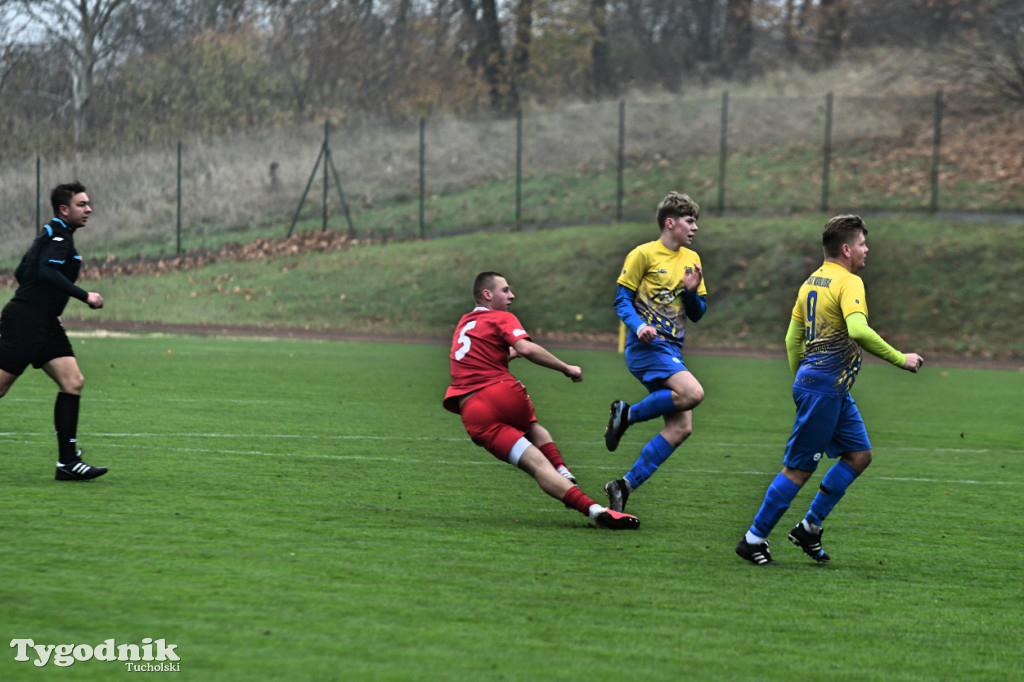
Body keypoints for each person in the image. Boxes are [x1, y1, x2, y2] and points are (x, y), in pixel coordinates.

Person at [735, 214, 924, 566]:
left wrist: (801, 379)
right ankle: (753, 538)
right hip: (824, 388)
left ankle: (809, 526)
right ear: (847, 248)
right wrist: (901, 359)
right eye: (863, 244)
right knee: (798, 469)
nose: (867, 250)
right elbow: (859, 330)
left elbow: (792, 339)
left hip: (828, 388)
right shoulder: (849, 283)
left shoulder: (810, 283)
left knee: (859, 455)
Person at [443, 271, 640, 530]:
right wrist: (565, 367)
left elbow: (477, 359)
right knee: (532, 427)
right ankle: (561, 468)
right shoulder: (501, 316)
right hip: (501, 393)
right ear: (487, 294)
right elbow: (526, 348)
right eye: (505, 290)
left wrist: (505, 356)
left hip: (472, 412)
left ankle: (594, 510)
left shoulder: (464, 323)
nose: (511, 295)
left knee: (536, 467)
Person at [602, 191, 708, 512]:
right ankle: (628, 415)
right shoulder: (643, 255)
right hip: (646, 346)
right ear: (670, 222)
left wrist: (690, 294)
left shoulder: (692, 259)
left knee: (680, 428)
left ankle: (624, 485)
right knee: (693, 393)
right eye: (690, 221)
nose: (695, 228)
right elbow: (622, 299)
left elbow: (698, 311)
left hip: (671, 350)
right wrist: (638, 326)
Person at [0, 182, 107, 481]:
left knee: (73, 382)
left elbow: (23, 272)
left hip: (41, 321)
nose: (88, 209)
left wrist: (47, 309)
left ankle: (68, 463)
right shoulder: (59, 236)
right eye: (81, 205)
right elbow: (47, 271)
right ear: (64, 209)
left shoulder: (51, 233)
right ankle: (68, 461)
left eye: (87, 204)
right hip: (26, 323)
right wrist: (84, 296)